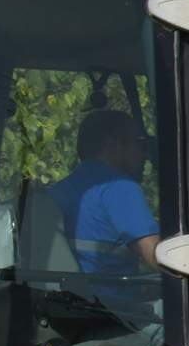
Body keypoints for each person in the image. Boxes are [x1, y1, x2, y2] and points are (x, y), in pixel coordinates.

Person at [48, 108, 158, 275]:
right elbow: (159, 258)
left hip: (73, 297)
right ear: (112, 146)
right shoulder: (120, 188)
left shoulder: (58, 191)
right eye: (140, 144)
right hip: (115, 300)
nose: (146, 154)